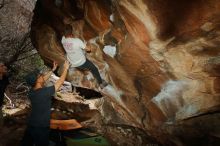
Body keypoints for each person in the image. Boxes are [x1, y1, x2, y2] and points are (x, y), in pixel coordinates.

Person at [21, 60, 70, 146]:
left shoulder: (32, 92)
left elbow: (42, 80)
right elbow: (60, 82)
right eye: (40, 76)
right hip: (41, 126)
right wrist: (66, 68)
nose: (42, 76)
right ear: (38, 80)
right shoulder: (44, 93)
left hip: (32, 124)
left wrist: (53, 70)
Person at [61, 25, 108, 89]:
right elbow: (88, 49)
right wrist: (88, 46)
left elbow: (67, 38)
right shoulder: (76, 41)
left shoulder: (63, 40)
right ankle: (100, 83)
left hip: (72, 62)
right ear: (71, 32)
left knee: (80, 51)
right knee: (94, 69)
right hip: (81, 62)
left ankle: (85, 71)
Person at [0, 62, 9, 127]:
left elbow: (6, 89)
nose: (5, 67)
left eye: (4, 65)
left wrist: (10, 99)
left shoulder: (5, 78)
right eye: (2, 66)